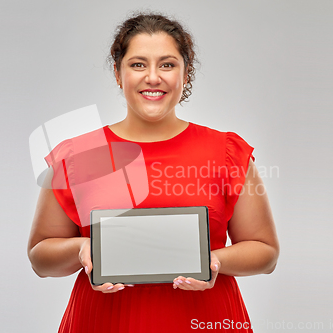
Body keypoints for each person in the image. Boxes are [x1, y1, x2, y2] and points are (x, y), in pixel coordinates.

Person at [28, 12, 279, 333]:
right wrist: (80, 249)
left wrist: (215, 262)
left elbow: (266, 252)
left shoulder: (226, 151)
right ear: (118, 74)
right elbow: (39, 258)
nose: (152, 77)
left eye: (167, 64)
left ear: (185, 74)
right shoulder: (77, 156)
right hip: (104, 321)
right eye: (137, 64)